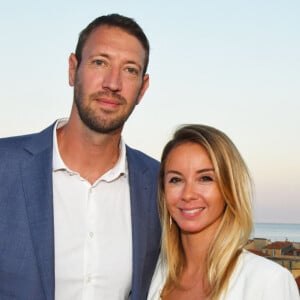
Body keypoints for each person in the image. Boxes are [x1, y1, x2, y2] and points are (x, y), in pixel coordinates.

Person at [0, 14, 161, 300]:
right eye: (100, 62)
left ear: (142, 88)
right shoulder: (5, 166)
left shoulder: (159, 185)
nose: (113, 83)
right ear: (73, 69)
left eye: (130, 70)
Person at [147, 124, 299, 300]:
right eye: (176, 179)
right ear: (163, 190)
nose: (188, 194)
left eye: (205, 178)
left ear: (229, 188)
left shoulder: (268, 281)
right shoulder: (153, 275)